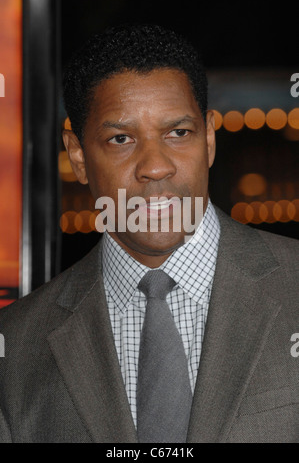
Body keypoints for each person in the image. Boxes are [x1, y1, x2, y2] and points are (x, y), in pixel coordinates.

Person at [0, 24, 299, 444]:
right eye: (121, 139)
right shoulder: (14, 346)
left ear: (209, 139)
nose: (156, 166)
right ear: (78, 156)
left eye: (178, 133)